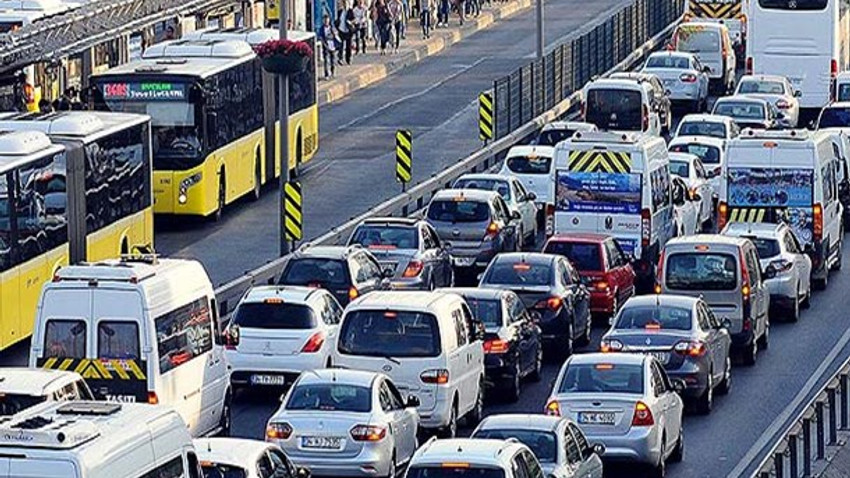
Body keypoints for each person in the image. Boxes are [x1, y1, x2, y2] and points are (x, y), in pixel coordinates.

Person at [318, 14, 338, 78]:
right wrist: (324, 43)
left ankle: (332, 72)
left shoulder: (332, 27)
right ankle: (326, 74)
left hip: (332, 45)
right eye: (325, 20)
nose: (326, 21)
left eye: (327, 20)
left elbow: (336, 34)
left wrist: (334, 34)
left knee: (333, 60)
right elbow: (320, 37)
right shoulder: (322, 28)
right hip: (326, 46)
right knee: (326, 60)